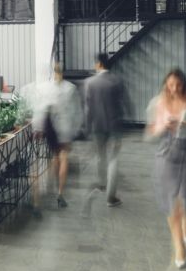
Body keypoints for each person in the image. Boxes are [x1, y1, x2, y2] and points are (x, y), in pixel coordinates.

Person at [147, 68, 186, 269]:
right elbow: (152, 131)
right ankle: (179, 245)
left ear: (184, 84)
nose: (174, 89)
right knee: (172, 203)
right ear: (166, 85)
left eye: (178, 84)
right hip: (166, 155)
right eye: (171, 85)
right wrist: (164, 124)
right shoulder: (161, 102)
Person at [33, 62, 82, 208]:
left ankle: (50, 184)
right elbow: (77, 111)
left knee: (55, 155)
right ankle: (60, 192)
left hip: (51, 128)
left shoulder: (44, 88)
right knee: (64, 157)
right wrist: (76, 129)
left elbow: (40, 109)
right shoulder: (70, 88)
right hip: (66, 128)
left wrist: (37, 127)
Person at [84, 53, 124, 208]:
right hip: (114, 126)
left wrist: (87, 127)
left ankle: (101, 184)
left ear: (99, 64)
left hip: (97, 126)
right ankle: (111, 198)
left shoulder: (90, 82)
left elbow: (88, 109)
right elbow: (121, 104)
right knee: (113, 159)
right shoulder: (117, 81)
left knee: (100, 156)